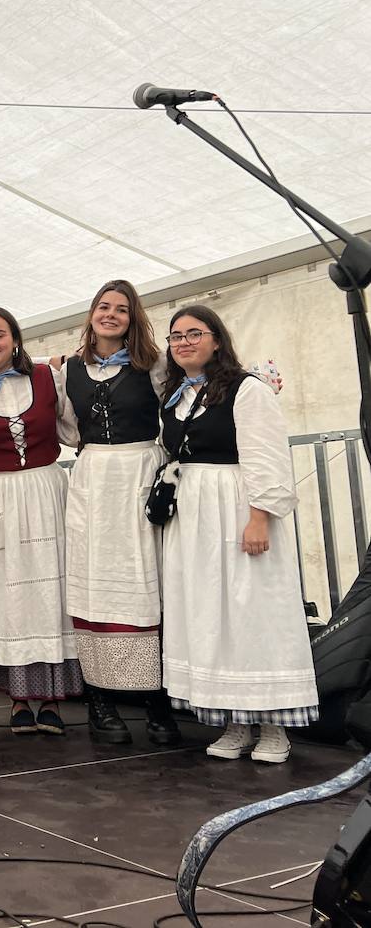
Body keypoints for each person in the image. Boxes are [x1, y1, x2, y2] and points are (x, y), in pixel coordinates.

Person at [159, 305, 317, 764]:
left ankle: (272, 726)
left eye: (194, 333)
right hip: (194, 516)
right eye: (176, 336)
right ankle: (235, 720)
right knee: (213, 614)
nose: (184, 342)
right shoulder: (176, 395)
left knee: (253, 612)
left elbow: (266, 454)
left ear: (216, 340)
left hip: (236, 505)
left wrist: (259, 516)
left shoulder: (247, 389)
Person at [57, 280, 180, 746]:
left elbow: (178, 411)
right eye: (103, 307)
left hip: (139, 470)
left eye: (121, 310)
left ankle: (157, 700)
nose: (111, 315)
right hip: (93, 477)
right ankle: (100, 702)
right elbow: (69, 429)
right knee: (92, 582)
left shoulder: (154, 364)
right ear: (91, 314)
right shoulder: (69, 370)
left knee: (145, 579)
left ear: (133, 318)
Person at [0, 307, 82, 735]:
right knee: (8, 592)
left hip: (47, 489)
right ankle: (18, 697)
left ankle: (50, 697)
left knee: (53, 586)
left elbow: (73, 432)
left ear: (16, 338)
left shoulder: (49, 379)